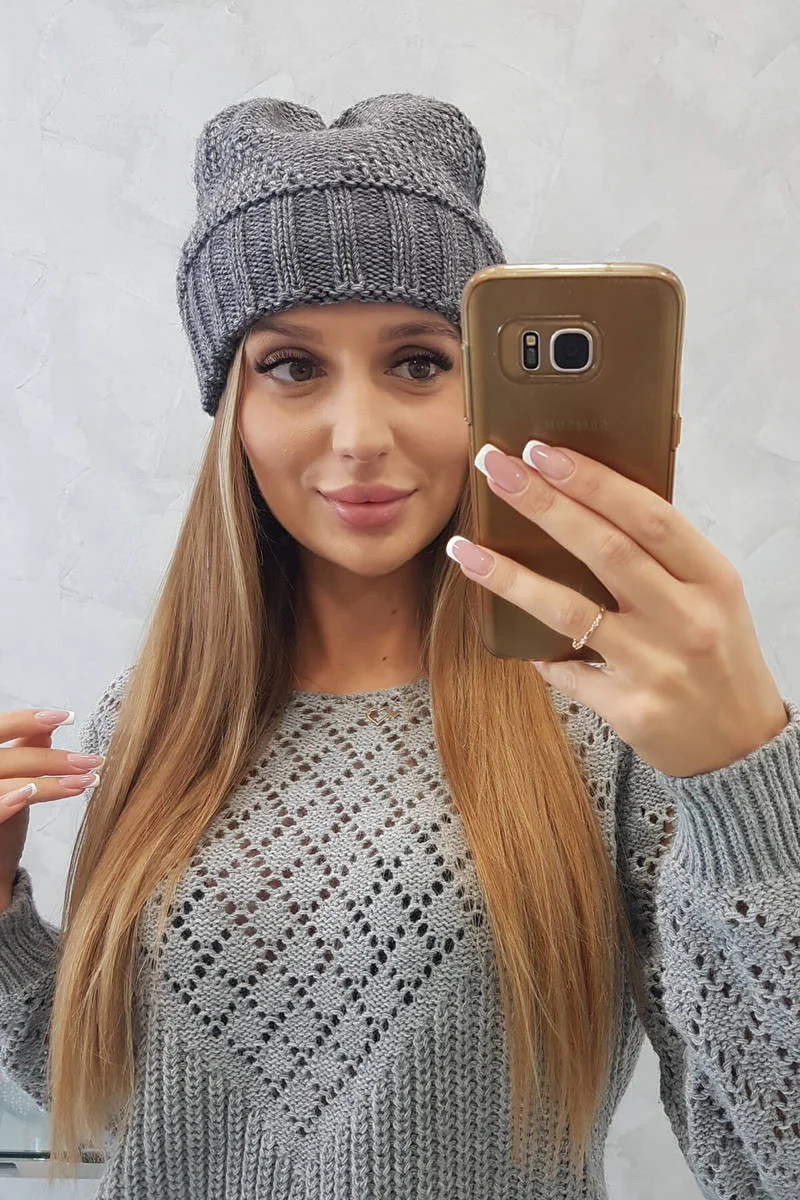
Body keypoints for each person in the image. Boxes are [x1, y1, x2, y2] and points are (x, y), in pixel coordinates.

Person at [1, 93, 799, 1200]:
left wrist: (747, 792)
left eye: (418, 363)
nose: (359, 436)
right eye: (292, 367)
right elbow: (118, 1103)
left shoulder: (606, 721)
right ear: (231, 410)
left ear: (482, 393)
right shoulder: (148, 716)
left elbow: (764, 1156)